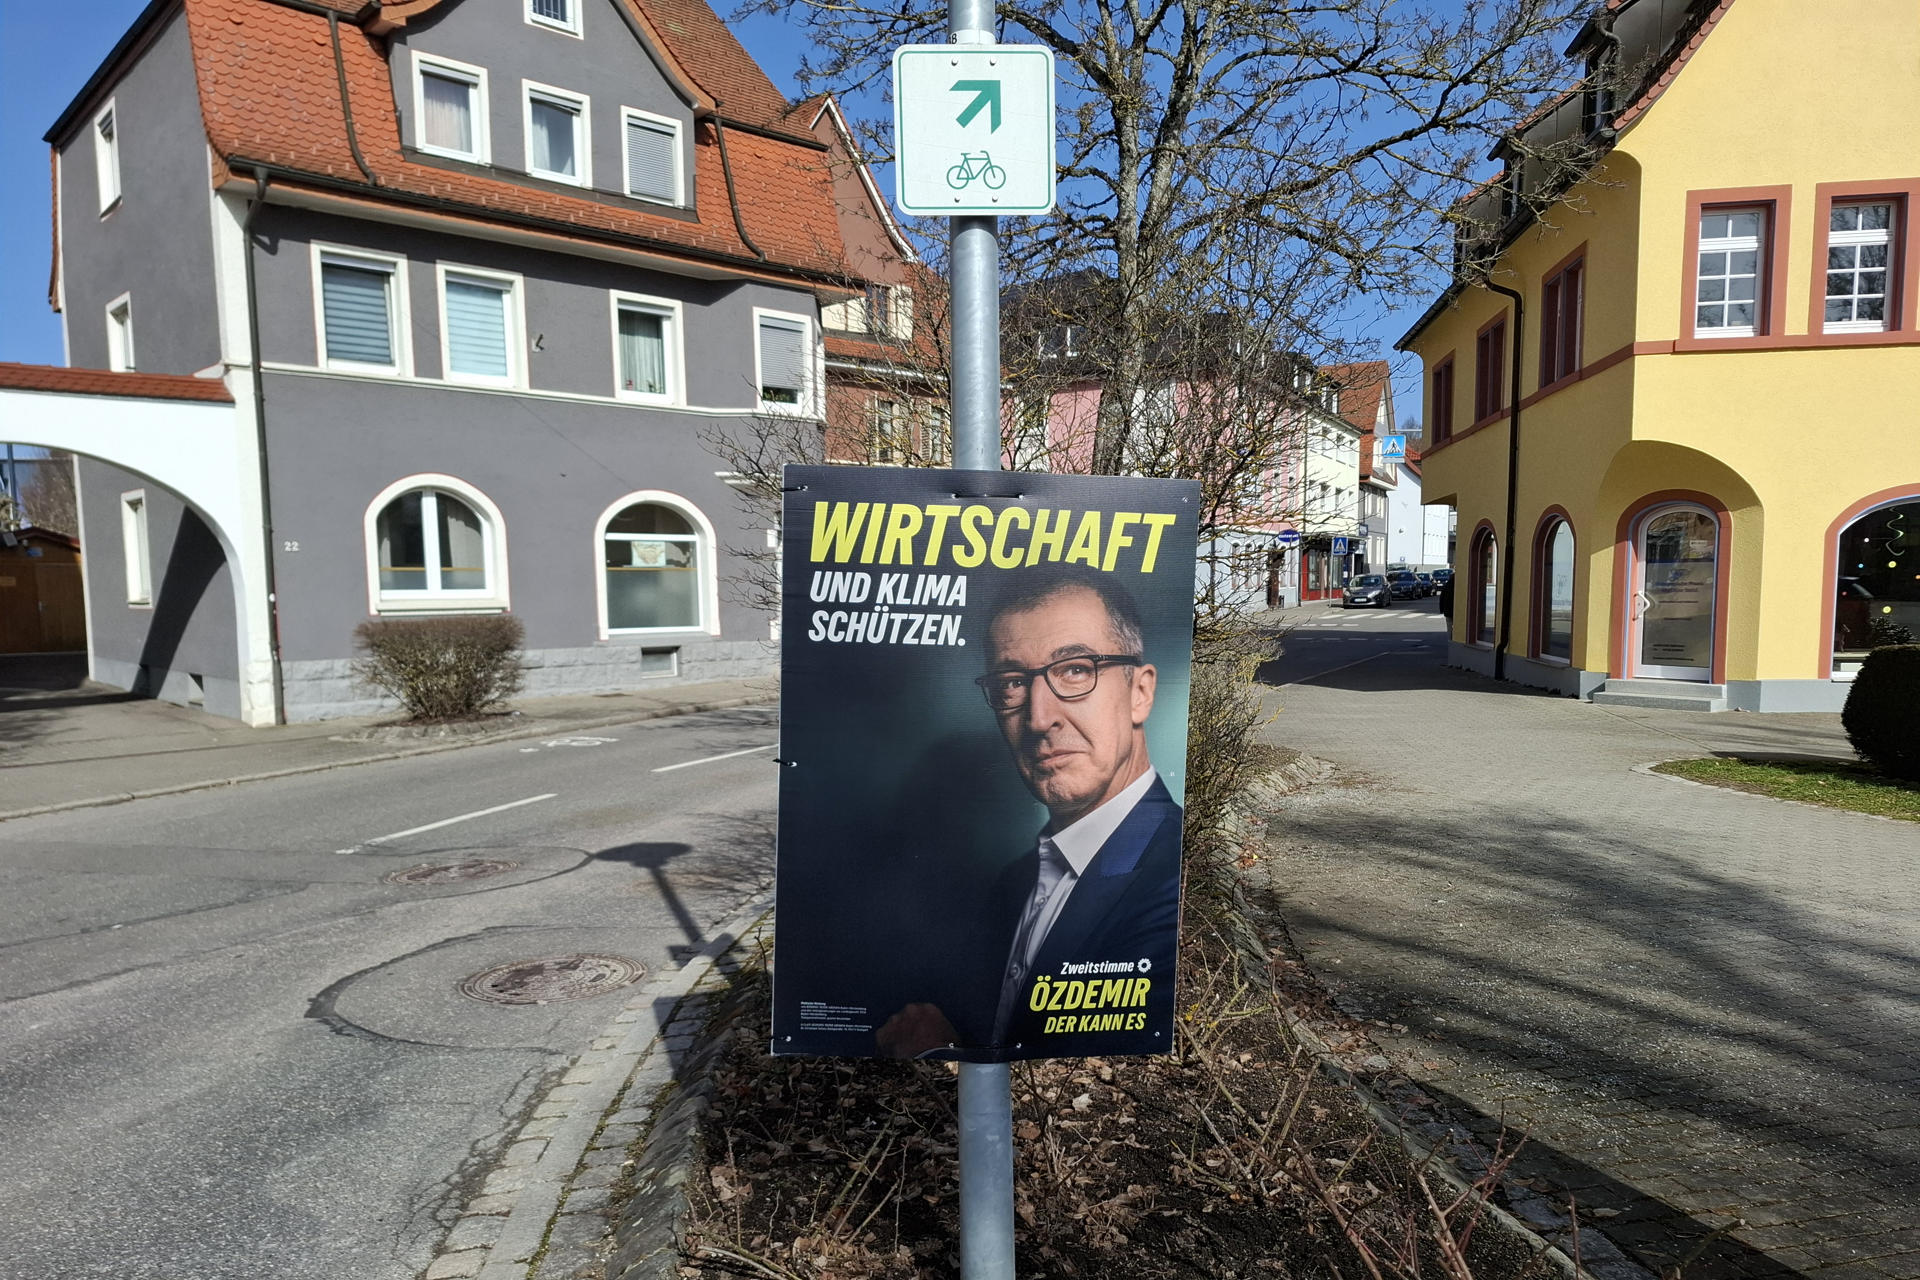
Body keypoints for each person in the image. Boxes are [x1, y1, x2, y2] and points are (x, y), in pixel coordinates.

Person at [876, 567, 1183, 1058]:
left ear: (1140, 693)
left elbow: (1102, 1071)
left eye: (1076, 670)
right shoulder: (1013, 882)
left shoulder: (1173, 873)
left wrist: (945, 1057)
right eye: (1013, 683)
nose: (1040, 718)